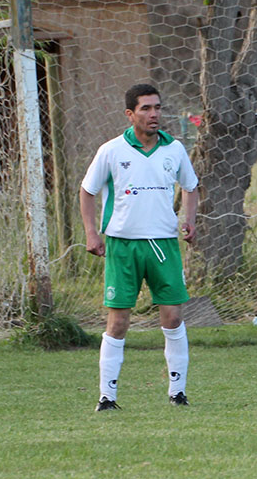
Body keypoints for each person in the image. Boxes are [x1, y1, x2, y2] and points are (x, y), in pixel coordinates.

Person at [80, 84, 199, 411]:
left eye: (157, 107)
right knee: (118, 322)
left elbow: (190, 186)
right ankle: (107, 397)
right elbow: (87, 191)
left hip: (163, 245)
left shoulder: (174, 149)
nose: (154, 114)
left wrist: (190, 220)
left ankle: (178, 393)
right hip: (122, 246)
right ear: (130, 114)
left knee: (173, 318)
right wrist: (92, 233)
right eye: (146, 108)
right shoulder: (111, 150)